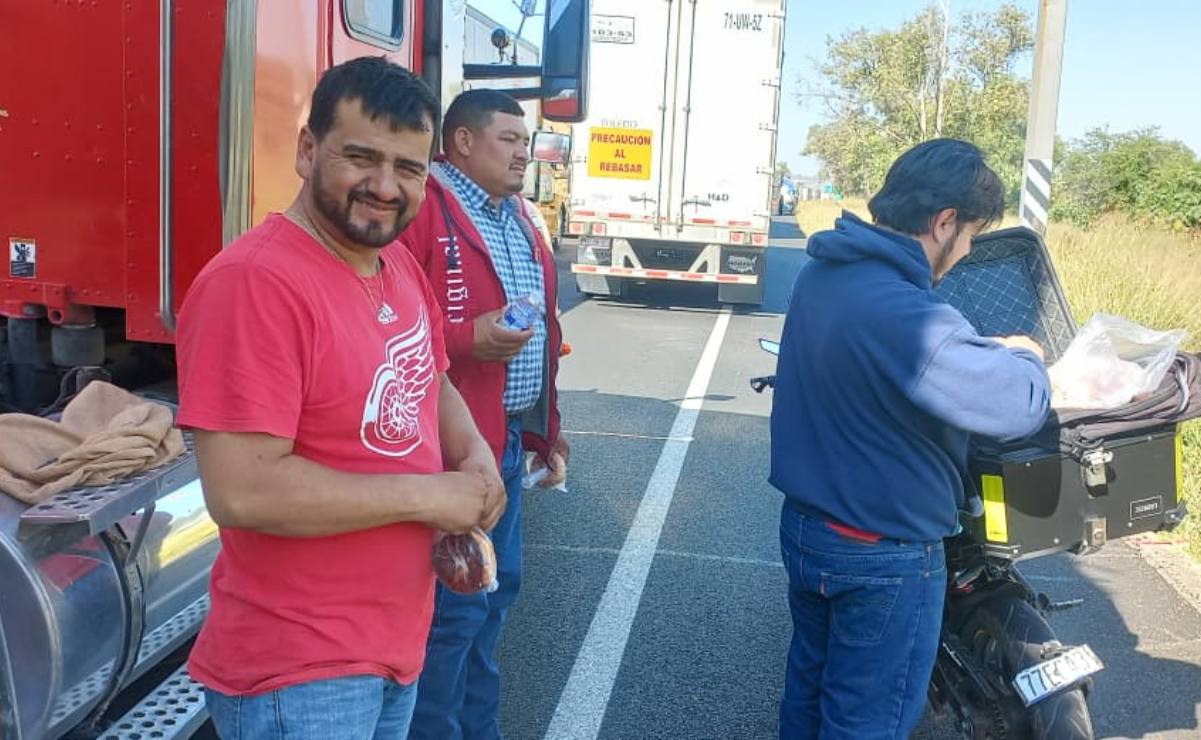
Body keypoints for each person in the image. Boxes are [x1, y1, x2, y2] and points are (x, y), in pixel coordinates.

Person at [175, 57, 505, 739]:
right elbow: (244, 491)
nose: (385, 187)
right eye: (361, 157)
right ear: (305, 150)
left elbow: (430, 376)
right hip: (302, 672)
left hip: (389, 648)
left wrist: (473, 454)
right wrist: (429, 496)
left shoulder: (395, 265)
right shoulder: (256, 283)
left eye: (409, 169)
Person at [769, 138, 1052, 739]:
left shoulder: (827, 272)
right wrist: (1025, 355)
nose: (968, 250)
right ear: (944, 221)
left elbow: (885, 369)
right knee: (865, 721)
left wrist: (977, 352)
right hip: (881, 553)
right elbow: (1017, 403)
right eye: (971, 234)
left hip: (811, 531)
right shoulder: (905, 312)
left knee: (811, 696)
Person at [400, 89, 568, 740]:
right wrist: (467, 338)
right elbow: (384, 330)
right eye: (508, 138)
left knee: (497, 597)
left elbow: (545, 327)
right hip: (449, 451)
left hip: (502, 443)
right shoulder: (422, 211)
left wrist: (547, 430)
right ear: (462, 143)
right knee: (454, 615)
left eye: (526, 141)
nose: (525, 151)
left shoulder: (519, 215)